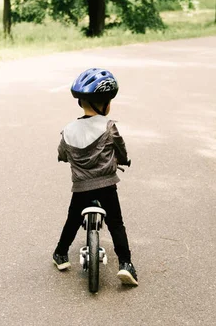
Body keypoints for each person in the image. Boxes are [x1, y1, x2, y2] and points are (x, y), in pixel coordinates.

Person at [53, 68, 138, 286]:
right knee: (116, 224)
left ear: (80, 101)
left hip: (81, 188)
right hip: (107, 186)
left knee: (72, 220)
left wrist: (67, 157)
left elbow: (62, 153)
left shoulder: (69, 130)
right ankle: (126, 264)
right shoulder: (109, 127)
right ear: (104, 104)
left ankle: (61, 255)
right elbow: (120, 149)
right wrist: (123, 159)